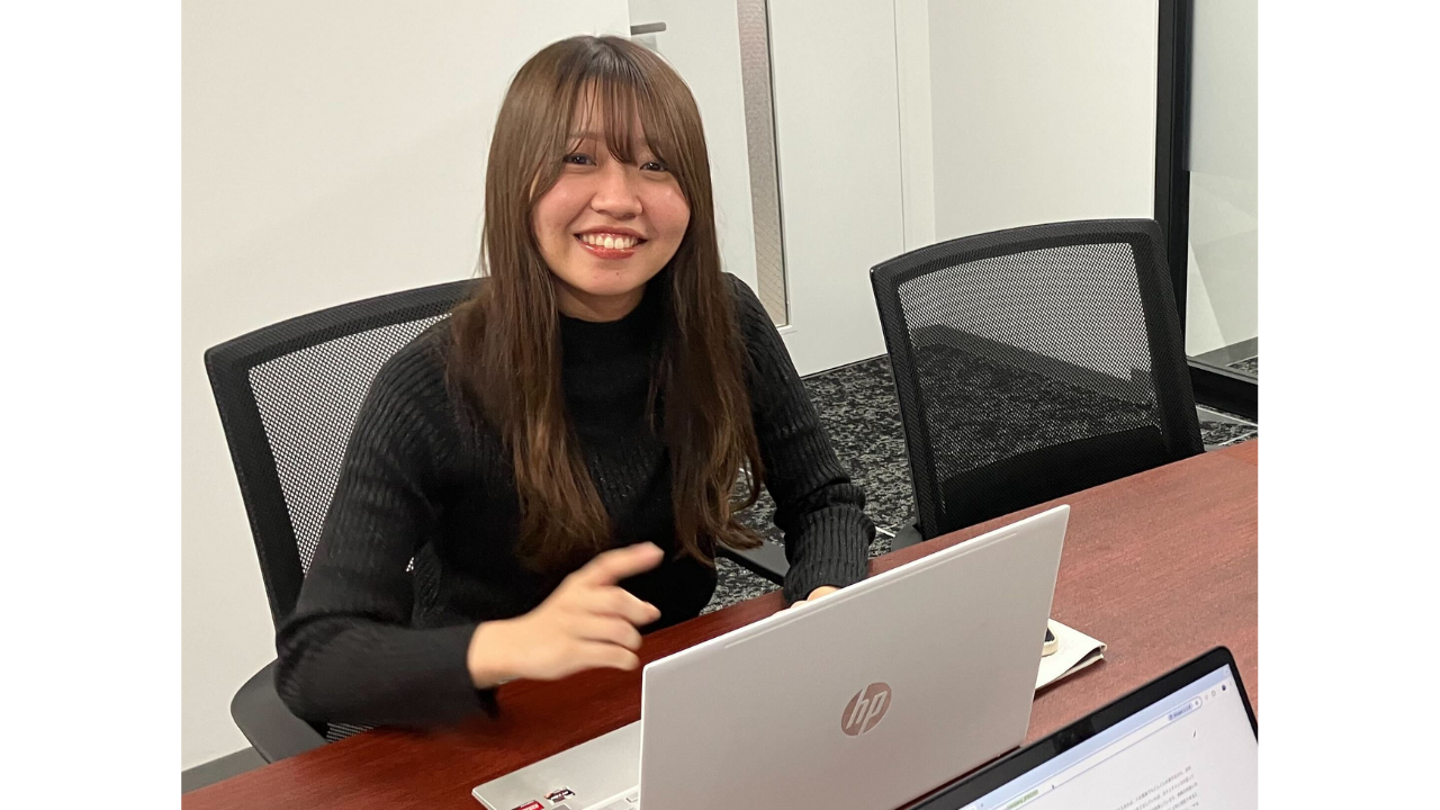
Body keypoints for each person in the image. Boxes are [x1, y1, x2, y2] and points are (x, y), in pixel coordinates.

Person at [276, 34, 874, 729]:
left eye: (655, 164)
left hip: (667, 688)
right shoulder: (430, 385)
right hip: (499, 714)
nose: (619, 199)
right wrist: (514, 645)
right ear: (517, 180)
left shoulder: (723, 319)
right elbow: (316, 661)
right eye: (579, 159)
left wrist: (826, 604)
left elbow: (824, 501)